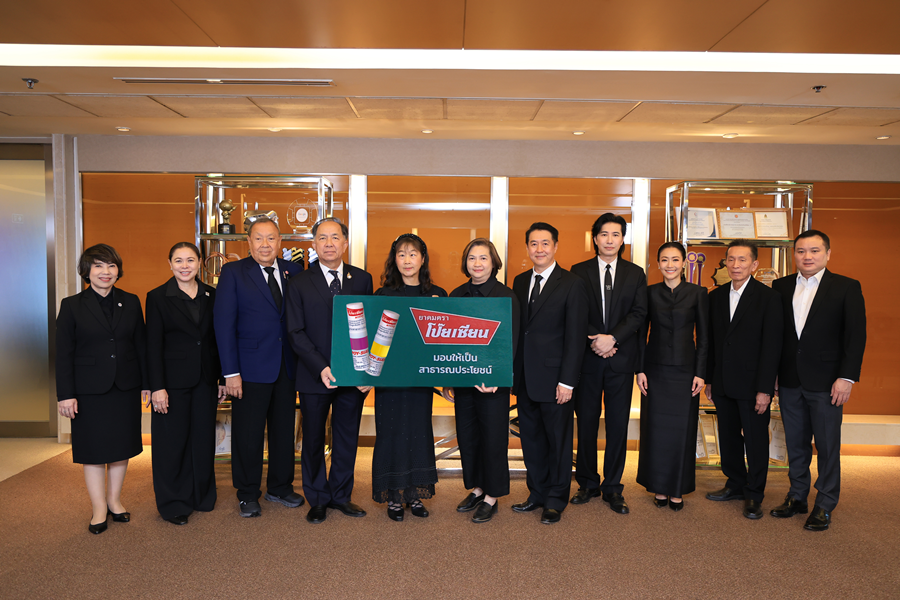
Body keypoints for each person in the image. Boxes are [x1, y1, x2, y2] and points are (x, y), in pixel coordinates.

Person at [770, 230, 866, 531]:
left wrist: (846, 378)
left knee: (826, 446)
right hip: (789, 380)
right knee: (795, 444)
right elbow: (777, 337)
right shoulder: (781, 286)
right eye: (801, 251)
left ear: (827, 254)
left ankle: (824, 503)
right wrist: (773, 375)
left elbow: (855, 336)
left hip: (827, 383)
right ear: (794, 255)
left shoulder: (846, 287)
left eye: (814, 251)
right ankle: (797, 496)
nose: (807, 257)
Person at [214, 217, 305, 518]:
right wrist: (230, 373)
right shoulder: (234, 272)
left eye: (271, 238)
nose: (265, 245)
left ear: (280, 242)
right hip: (248, 369)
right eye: (258, 238)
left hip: (286, 366)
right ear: (249, 242)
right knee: (248, 434)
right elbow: (223, 325)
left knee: (283, 431)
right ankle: (247, 493)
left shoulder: (294, 271)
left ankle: (279, 487)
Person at [56, 244, 149, 534]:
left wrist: (147, 384)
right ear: (87, 271)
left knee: (121, 447)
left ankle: (114, 501)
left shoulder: (131, 301)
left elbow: (141, 346)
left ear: (118, 270)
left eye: (111, 266)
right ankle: (98, 508)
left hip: (125, 386)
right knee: (93, 449)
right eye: (98, 265)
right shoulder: (71, 305)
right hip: (88, 390)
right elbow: (63, 354)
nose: (105, 272)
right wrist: (65, 394)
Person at [286, 218, 373, 524]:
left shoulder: (362, 279)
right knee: (312, 438)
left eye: (335, 237)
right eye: (322, 238)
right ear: (313, 245)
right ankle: (318, 498)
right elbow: (295, 331)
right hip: (314, 374)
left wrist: (366, 372)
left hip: (352, 375)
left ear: (345, 243)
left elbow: (368, 325)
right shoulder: (298, 283)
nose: (329, 243)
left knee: (346, 437)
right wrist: (321, 366)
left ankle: (340, 495)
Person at [570, 213, 648, 514]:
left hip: (620, 360)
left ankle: (613, 487)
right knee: (587, 423)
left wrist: (612, 339)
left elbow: (639, 314)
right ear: (595, 238)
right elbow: (575, 311)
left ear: (623, 239)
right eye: (604, 234)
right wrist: (596, 340)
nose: (610, 240)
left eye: (616, 234)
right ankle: (587, 483)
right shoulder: (578, 272)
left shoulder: (635, 273)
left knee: (617, 425)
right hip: (588, 359)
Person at [511, 223, 588, 524]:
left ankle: (555, 500)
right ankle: (537, 493)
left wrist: (568, 381)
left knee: (558, 442)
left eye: (545, 243)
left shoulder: (572, 283)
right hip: (525, 378)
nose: (539, 249)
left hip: (557, 380)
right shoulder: (519, 281)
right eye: (533, 243)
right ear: (527, 248)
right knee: (531, 440)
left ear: (555, 246)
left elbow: (576, 336)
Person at [145, 242, 227, 526]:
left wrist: (220, 378)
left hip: (205, 379)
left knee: (203, 440)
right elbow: (152, 345)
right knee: (172, 444)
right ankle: (173, 503)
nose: (184, 266)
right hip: (171, 383)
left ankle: (201, 496)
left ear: (200, 263)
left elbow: (216, 340)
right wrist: (157, 386)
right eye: (178, 260)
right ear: (169, 264)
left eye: (190, 260)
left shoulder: (211, 294)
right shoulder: (157, 297)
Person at [443, 238, 520, 523]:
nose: (477, 263)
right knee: (468, 437)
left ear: (493, 262)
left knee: (493, 439)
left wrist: (498, 376)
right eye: (472, 258)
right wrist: (448, 379)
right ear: (465, 263)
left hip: (493, 385)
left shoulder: (506, 296)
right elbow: (447, 340)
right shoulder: (456, 295)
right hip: (463, 381)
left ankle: (492, 496)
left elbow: (510, 342)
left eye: (483, 258)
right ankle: (477, 488)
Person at [705, 240, 783, 519]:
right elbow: (711, 342)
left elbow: (772, 347)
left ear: (754, 265)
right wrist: (710, 380)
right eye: (731, 259)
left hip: (753, 385)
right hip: (722, 382)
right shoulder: (715, 296)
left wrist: (765, 389)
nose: (735, 265)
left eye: (742, 260)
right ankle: (735, 483)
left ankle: (754, 493)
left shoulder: (768, 298)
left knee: (755, 439)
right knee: (728, 437)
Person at [372, 233, 447, 522]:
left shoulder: (437, 294)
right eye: (401, 254)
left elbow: (444, 341)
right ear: (394, 259)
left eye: (413, 254)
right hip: (390, 380)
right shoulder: (382, 294)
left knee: (417, 433)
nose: (407, 260)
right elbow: (375, 340)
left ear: (422, 259)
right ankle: (394, 496)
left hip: (420, 380)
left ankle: (414, 494)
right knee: (390, 433)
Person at [635, 242, 708, 511]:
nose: (670, 265)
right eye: (664, 260)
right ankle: (658, 486)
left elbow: (704, 337)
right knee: (655, 431)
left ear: (684, 263)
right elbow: (641, 335)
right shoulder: (649, 293)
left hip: (686, 372)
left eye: (675, 260)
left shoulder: (698, 293)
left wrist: (701, 373)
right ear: (657, 264)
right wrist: (640, 369)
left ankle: (677, 489)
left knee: (682, 431)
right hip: (655, 371)